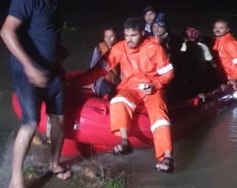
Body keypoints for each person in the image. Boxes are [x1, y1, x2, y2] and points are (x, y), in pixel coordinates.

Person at [0, 0, 81, 188]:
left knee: (58, 118)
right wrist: (29, 66)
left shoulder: (55, 2)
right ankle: (15, 183)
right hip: (27, 73)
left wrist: (59, 51)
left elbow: (45, 33)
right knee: (31, 123)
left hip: (53, 71)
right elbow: (6, 31)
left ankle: (54, 164)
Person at [72, 17, 175, 173]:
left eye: (133, 35)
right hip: (130, 87)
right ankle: (125, 141)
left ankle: (166, 157)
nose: (129, 40)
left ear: (142, 33)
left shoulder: (154, 48)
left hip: (152, 88)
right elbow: (99, 70)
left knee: (159, 116)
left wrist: (155, 85)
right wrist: (76, 82)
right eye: (126, 35)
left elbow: (168, 73)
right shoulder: (120, 48)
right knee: (118, 100)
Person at [88, 24, 120, 98]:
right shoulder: (99, 49)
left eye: (111, 36)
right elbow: (92, 66)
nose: (108, 39)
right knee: (107, 88)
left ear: (116, 37)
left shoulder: (121, 50)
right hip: (101, 80)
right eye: (106, 36)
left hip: (116, 79)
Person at [212, 19, 237, 88]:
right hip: (220, 76)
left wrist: (234, 78)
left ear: (227, 30)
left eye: (221, 28)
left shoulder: (231, 43)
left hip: (229, 78)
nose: (217, 30)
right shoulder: (217, 40)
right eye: (215, 27)